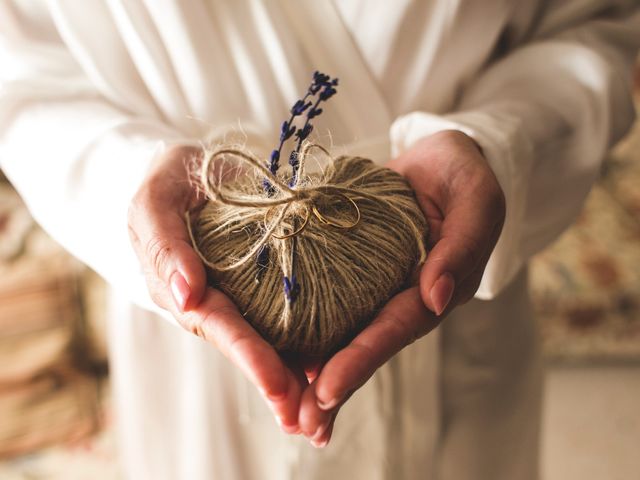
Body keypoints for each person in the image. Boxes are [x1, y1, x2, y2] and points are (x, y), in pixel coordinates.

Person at [1, 1, 638, 479]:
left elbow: (595, 26)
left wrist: (496, 145)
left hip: (452, 285)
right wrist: (129, 176)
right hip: (200, 322)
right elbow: (20, 73)